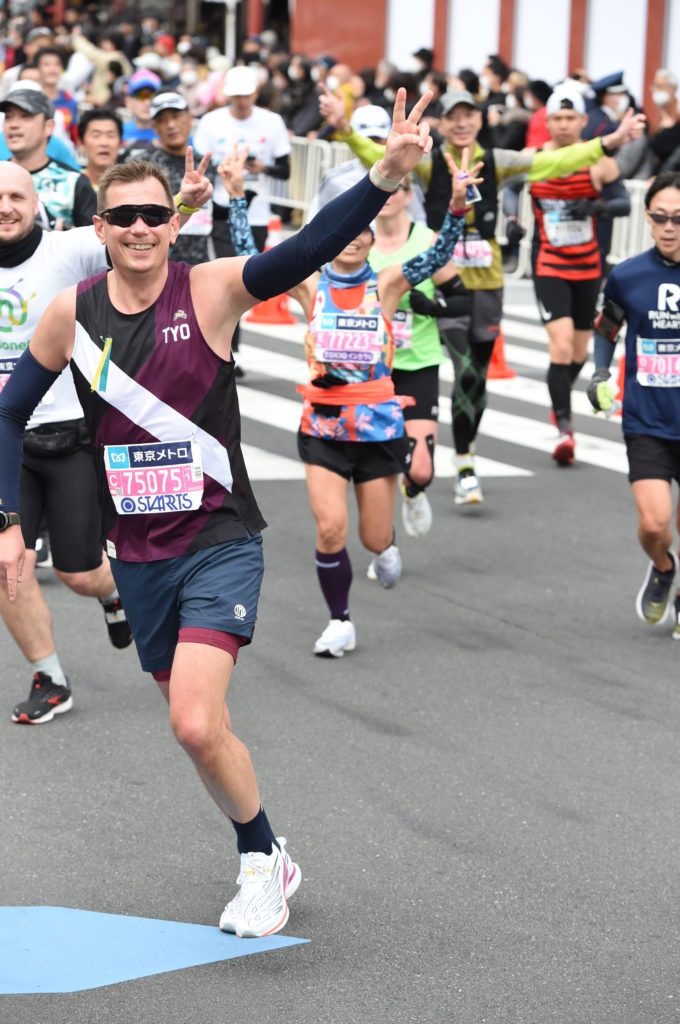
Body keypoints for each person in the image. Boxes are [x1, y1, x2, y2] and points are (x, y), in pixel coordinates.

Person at [0, 89, 435, 933]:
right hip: (141, 553)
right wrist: (7, 517)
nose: (137, 227)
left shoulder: (212, 291)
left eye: (151, 215)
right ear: (100, 228)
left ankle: (258, 861)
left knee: (196, 722)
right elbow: (8, 411)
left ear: (172, 222)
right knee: (199, 727)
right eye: (120, 214)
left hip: (218, 539)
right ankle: (268, 851)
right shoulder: (70, 315)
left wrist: (383, 176)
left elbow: (306, 248)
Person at [321, 86, 645, 506]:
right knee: (466, 370)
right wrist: (346, 130)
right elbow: (381, 162)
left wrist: (609, 142)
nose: (461, 123)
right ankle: (456, 463)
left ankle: (465, 457)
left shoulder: (498, 161)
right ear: (441, 121)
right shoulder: (429, 162)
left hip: (487, 283)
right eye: (453, 116)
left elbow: (553, 161)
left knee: (478, 383)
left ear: (479, 120)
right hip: (442, 280)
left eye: (468, 115)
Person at [223, 142, 480, 651]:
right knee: (331, 528)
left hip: (380, 426)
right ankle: (339, 620)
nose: (355, 239)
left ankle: (385, 550)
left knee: (373, 538)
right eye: (346, 230)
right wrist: (235, 199)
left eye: (363, 230)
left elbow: (438, 254)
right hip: (322, 425)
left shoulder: (387, 283)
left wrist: (456, 209)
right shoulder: (308, 285)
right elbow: (250, 263)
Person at [587, 171, 680, 633]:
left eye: (679, 220)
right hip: (647, 420)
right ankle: (664, 568)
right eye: (660, 218)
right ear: (647, 218)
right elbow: (607, 328)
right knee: (653, 522)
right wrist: (600, 372)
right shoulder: (627, 276)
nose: (669, 227)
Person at [530, 90, 631, 464]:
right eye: (557, 118)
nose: (563, 125)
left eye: (570, 119)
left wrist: (596, 205)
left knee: (576, 352)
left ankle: (559, 399)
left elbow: (625, 202)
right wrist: (510, 219)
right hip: (548, 264)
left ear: (583, 122)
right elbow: (508, 189)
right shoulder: (535, 160)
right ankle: (565, 429)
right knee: (559, 347)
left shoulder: (599, 163)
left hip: (588, 267)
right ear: (548, 122)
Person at [124, 90, 213, 265]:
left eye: (176, 116)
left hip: (199, 266)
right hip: (155, 265)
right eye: (162, 120)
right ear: (154, 126)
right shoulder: (139, 164)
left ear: (189, 117)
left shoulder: (204, 163)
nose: (171, 124)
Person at [1, 82, 96, 229]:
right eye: (8, 117)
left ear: (49, 127)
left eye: (25, 116)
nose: (13, 124)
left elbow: (93, 244)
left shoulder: (73, 182)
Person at [78, 108, 124, 190]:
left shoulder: (132, 186)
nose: (104, 143)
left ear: (121, 143)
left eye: (111, 136)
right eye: (96, 136)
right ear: (81, 143)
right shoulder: (72, 185)